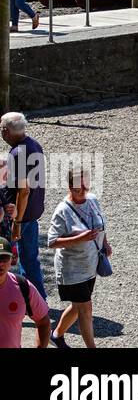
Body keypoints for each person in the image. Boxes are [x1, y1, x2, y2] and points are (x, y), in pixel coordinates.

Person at [47, 166, 110, 348]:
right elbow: (52, 242)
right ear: (69, 186)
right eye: (77, 187)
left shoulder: (92, 200)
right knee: (86, 309)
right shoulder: (62, 211)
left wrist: (105, 243)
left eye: (85, 186)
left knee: (78, 307)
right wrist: (79, 238)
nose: (82, 191)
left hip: (90, 265)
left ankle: (56, 335)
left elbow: (100, 223)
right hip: (72, 270)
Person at [1, 113, 45, 300]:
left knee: (9, 261)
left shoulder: (18, 153)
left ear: (6, 131)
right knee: (30, 260)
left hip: (20, 215)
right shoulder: (34, 145)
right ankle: (38, 300)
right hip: (32, 213)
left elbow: (24, 190)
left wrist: (16, 221)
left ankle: (19, 299)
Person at [0, 237, 50, 348]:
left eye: (4, 258)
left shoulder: (22, 286)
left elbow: (43, 321)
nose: (0, 263)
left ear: (12, 259)